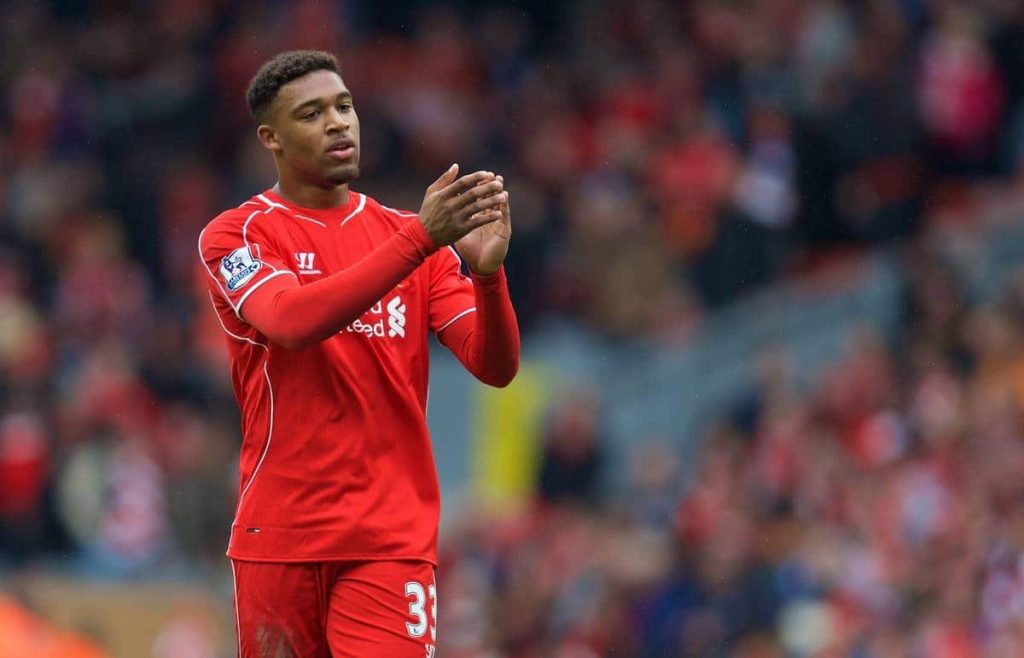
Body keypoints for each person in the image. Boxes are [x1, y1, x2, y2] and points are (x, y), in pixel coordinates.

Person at [197, 50, 519, 658]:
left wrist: (488, 276)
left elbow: (494, 366)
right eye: (311, 114)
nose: (337, 123)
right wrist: (420, 238)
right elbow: (290, 321)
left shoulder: (411, 239)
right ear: (271, 138)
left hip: (388, 541)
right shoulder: (237, 235)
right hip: (279, 538)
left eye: (344, 106)